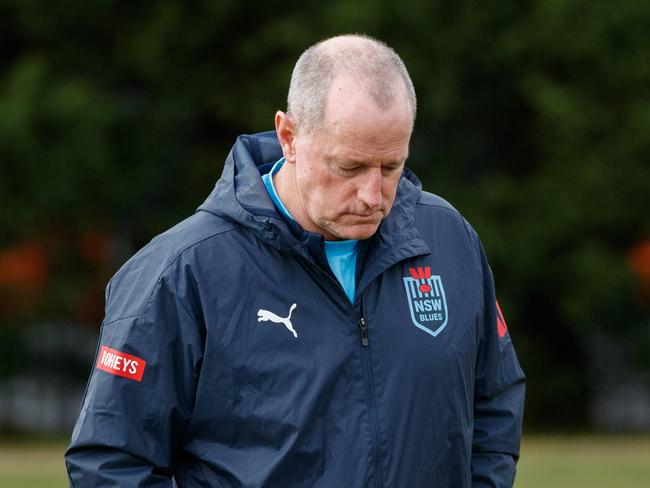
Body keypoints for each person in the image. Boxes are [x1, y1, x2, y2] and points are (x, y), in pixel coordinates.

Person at [65, 34, 525, 487]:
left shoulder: (448, 239)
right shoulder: (183, 271)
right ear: (289, 136)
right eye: (350, 168)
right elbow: (110, 462)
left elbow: (495, 399)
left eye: (391, 167)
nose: (373, 196)